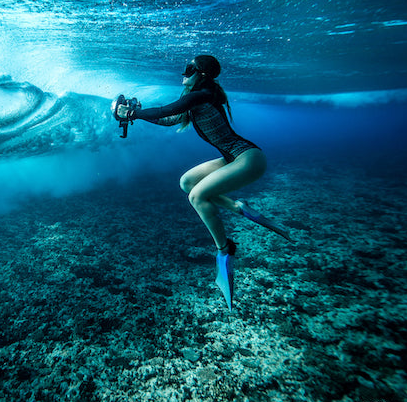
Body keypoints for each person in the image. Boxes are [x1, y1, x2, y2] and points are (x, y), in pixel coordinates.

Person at [115, 54, 289, 308]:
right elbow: (167, 118)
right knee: (187, 182)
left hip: (247, 158)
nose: (183, 73)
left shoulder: (203, 94)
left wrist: (133, 112)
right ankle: (239, 207)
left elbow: (167, 109)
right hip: (233, 157)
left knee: (197, 196)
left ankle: (225, 250)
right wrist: (135, 114)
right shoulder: (197, 98)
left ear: (202, 74)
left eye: (189, 69)